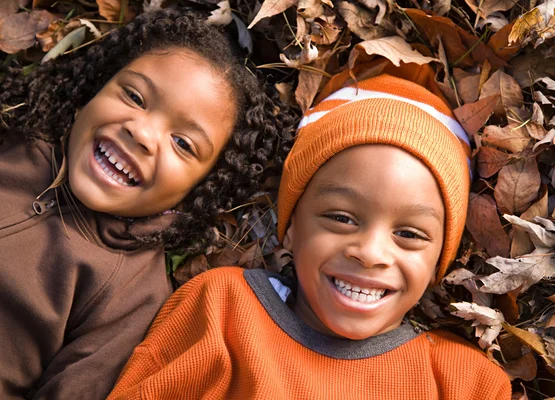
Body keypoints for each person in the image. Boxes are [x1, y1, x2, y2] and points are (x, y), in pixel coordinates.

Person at [107, 65, 512, 399]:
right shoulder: (223, 311)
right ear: (291, 226)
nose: (370, 253)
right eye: (341, 218)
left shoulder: (465, 384)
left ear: (441, 258)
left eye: (409, 234)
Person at [0, 8, 295, 399]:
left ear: (201, 189)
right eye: (135, 96)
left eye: (184, 144)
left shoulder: (131, 296)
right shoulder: (14, 133)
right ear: (96, 88)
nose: (142, 134)